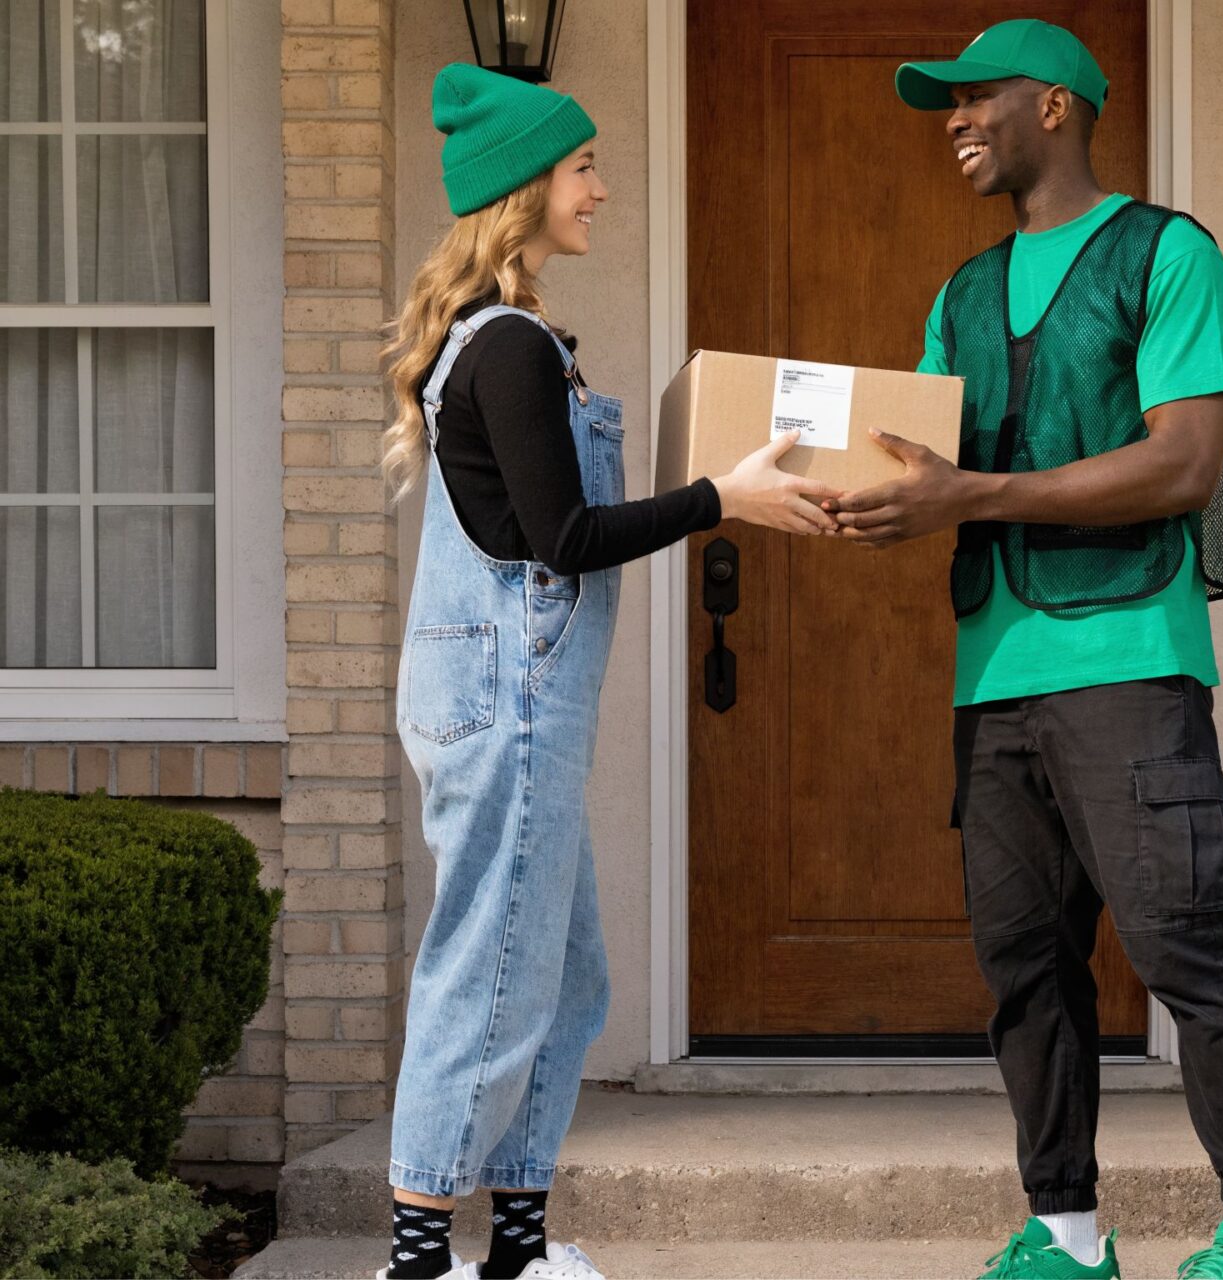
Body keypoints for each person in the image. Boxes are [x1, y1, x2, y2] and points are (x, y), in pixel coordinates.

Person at [826, 19, 1223, 1280]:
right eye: (946, 104)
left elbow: (1184, 461)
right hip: (994, 680)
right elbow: (920, 470)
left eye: (976, 98)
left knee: (1183, 941)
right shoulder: (960, 295)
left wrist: (967, 496)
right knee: (1024, 968)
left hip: (1129, 663)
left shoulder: (1167, 253)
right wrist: (836, 491)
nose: (954, 120)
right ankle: (1068, 1233)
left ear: (1056, 105)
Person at [376, 63, 834, 1280]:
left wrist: (715, 481)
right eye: (583, 169)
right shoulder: (512, 346)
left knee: (563, 970)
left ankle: (517, 1249)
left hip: (506, 701)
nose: (602, 189)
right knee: (486, 974)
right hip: (507, 705)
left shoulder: (511, 340)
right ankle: (419, 1258)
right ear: (524, 187)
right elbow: (561, 541)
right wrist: (719, 499)